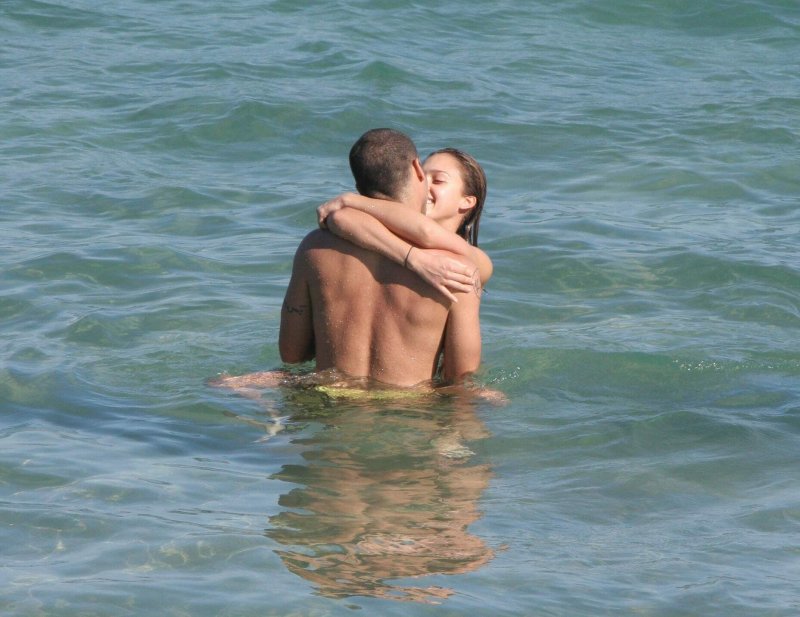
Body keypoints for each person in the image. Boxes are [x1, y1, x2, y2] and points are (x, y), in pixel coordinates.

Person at [282, 128, 482, 388]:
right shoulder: (455, 269)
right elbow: (460, 378)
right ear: (416, 170)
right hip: (407, 412)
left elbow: (292, 354)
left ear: (358, 187)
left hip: (333, 402)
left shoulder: (314, 248)